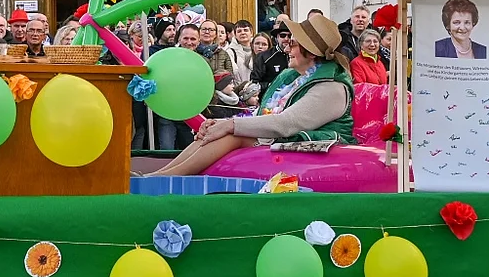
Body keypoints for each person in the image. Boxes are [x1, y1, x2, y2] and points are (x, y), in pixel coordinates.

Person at [151, 14, 355, 176]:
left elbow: (286, 123)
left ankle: (169, 178)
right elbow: (262, 112)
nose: (286, 47)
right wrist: (223, 122)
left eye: (293, 43)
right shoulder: (291, 76)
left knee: (231, 134)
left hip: (318, 149)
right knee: (216, 130)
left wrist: (230, 125)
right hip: (285, 139)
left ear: (311, 54)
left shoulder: (332, 87)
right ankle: (161, 174)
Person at [252, 26, 290, 91]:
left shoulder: (298, 55)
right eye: (282, 35)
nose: (286, 38)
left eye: (289, 36)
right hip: (269, 97)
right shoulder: (264, 56)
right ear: (277, 37)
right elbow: (255, 83)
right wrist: (272, 85)